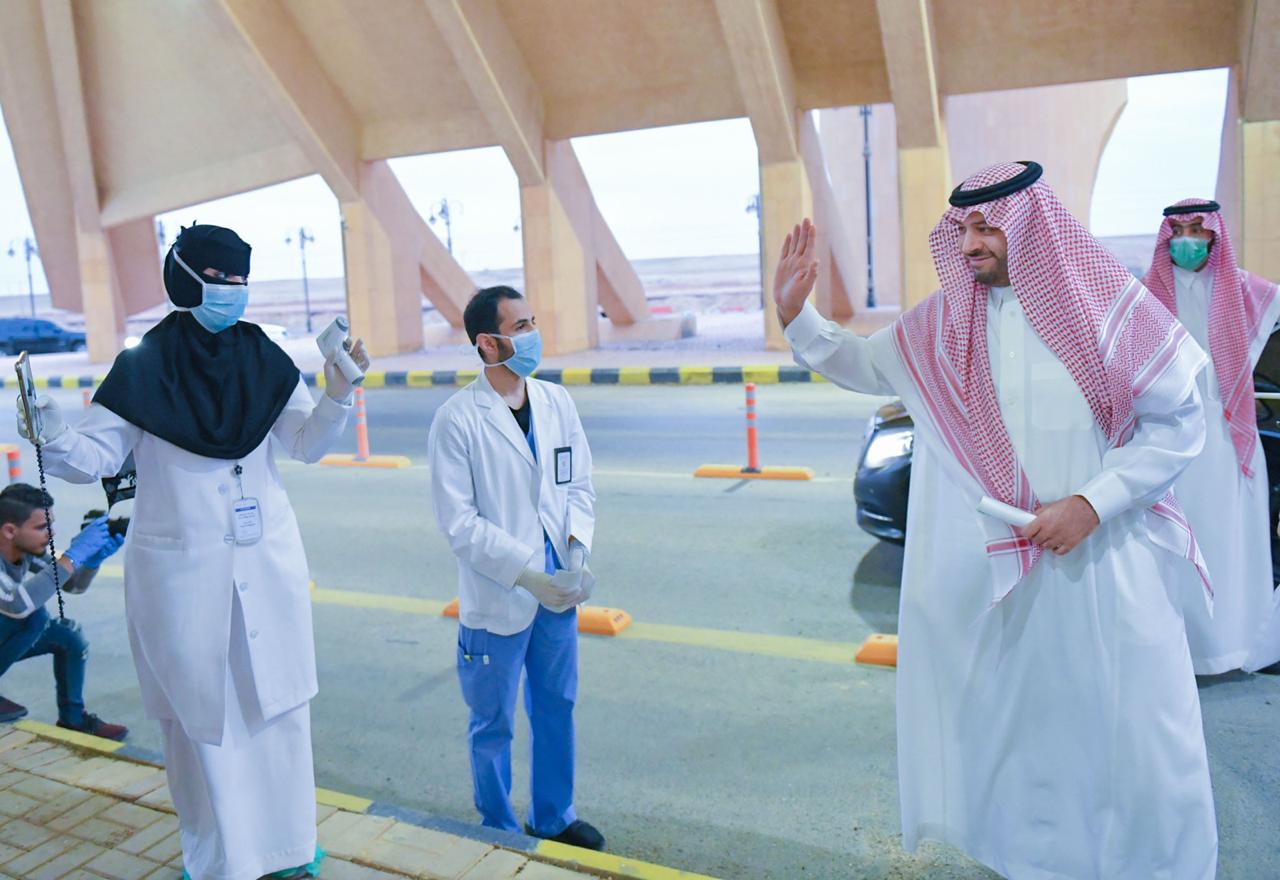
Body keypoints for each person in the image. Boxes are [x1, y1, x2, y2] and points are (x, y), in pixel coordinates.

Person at [775, 163, 1217, 878]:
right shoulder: (945, 323)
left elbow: (1178, 424)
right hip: (1013, 580)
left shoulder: (1111, 309)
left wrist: (1092, 503)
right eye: (963, 229)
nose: (971, 243)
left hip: (1106, 565)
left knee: (1132, 731)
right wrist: (799, 315)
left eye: (988, 227)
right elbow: (865, 364)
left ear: (1030, 225)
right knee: (1027, 734)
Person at [17, 224, 369, 880]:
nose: (232, 291)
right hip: (182, 574)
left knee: (279, 712)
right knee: (204, 725)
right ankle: (220, 863)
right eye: (217, 279)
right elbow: (96, 456)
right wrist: (53, 432)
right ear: (183, 279)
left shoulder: (264, 356)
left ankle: (289, 853)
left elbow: (305, 444)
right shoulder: (144, 366)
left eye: (240, 280)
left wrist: (338, 391)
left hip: (265, 564)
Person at [427, 285, 604, 851]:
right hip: (501, 591)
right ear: (488, 343)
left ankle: (554, 815)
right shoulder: (457, 420)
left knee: (557, 705)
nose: (533, 335)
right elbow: (460, 524)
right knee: (493, 721)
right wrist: (527, 574)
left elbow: (577, 486)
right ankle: (499, 829)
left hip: (558, 587)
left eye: (532, 322)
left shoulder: (556, 403)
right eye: (520, 327)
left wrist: (576, 551)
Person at [1142, 198, 1280, 674]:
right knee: (1175, 543)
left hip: (1226, 437)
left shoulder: (1247, 291)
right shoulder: (1146, 295)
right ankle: (1181, 649)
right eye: (1177, 231)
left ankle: (1232, 646)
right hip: (1167, 436)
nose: (1187, 240)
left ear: (1214, 235)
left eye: (1196, 230)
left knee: (1229, 542)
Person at [0, 483, 126, 737]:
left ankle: (73, 719)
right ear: (10, 530)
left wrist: (91, 560)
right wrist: (73, 555)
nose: (51, 533)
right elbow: (17, 604)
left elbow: (72, 585)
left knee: (68, 636)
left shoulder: (26, 551)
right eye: (41, 527)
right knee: (34, 618)